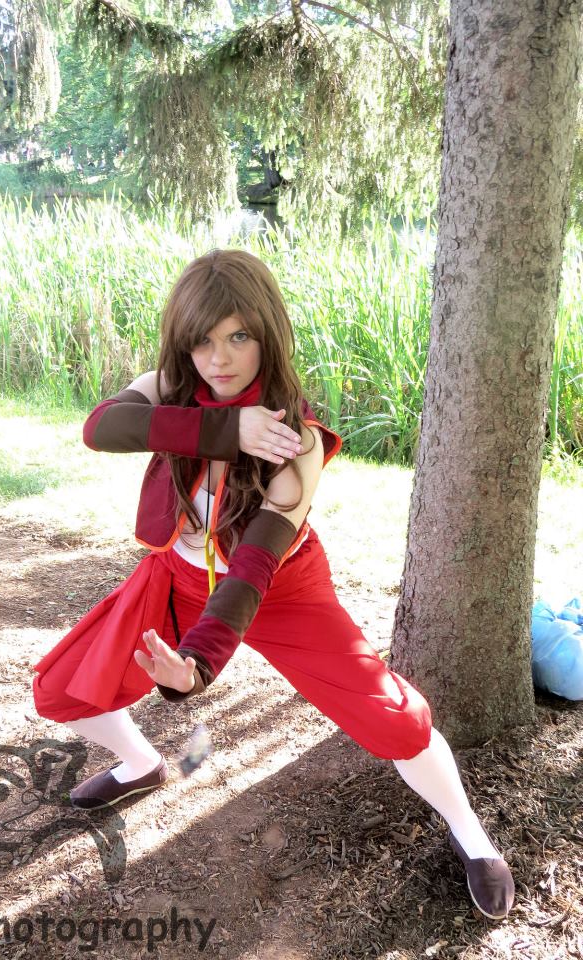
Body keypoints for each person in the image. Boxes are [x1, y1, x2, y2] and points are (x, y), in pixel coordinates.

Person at [32, 250, 515, 921]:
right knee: (61, 690)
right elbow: (101, 428)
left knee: (394, 719)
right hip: (175, 578)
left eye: (238, 336)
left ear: (267, 333)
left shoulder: (298, 440)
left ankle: (472, 836)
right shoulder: (174, 387)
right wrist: (225, 428)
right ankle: (141, 764)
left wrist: (198, 664)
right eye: (202, 340)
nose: (219, 359)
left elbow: (255, 564)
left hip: (281, 593)